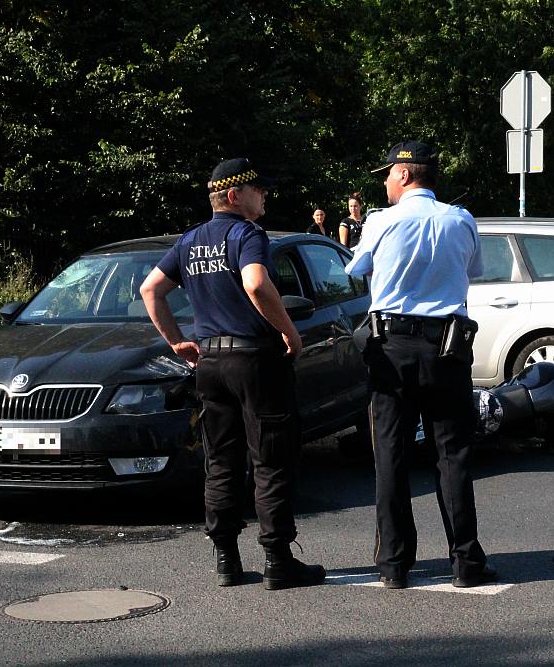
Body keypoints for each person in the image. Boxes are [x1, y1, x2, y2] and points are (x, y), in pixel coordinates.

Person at [140, 157, 325, 591]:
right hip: (255, 361)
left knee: (221, 461)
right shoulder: (246, 234)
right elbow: (257, 284)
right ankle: (279, 560)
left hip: (211, 363)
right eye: (258, 190)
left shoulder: (188, 241)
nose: (265, 197)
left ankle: (226, 559)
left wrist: (176, 341)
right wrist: (289, 331)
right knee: (270, 459)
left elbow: (151, 289)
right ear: (234, 196)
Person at [344, 140, 495, 590]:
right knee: (453, 455)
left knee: (390, 454)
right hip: (447, 348)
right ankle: (466, 562)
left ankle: (394, 564)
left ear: (406, 174)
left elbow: (356, 269)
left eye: (388, 174)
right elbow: (475, 270)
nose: (387, 181)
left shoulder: (380, 221)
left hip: (390, 347)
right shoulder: (460, 218)